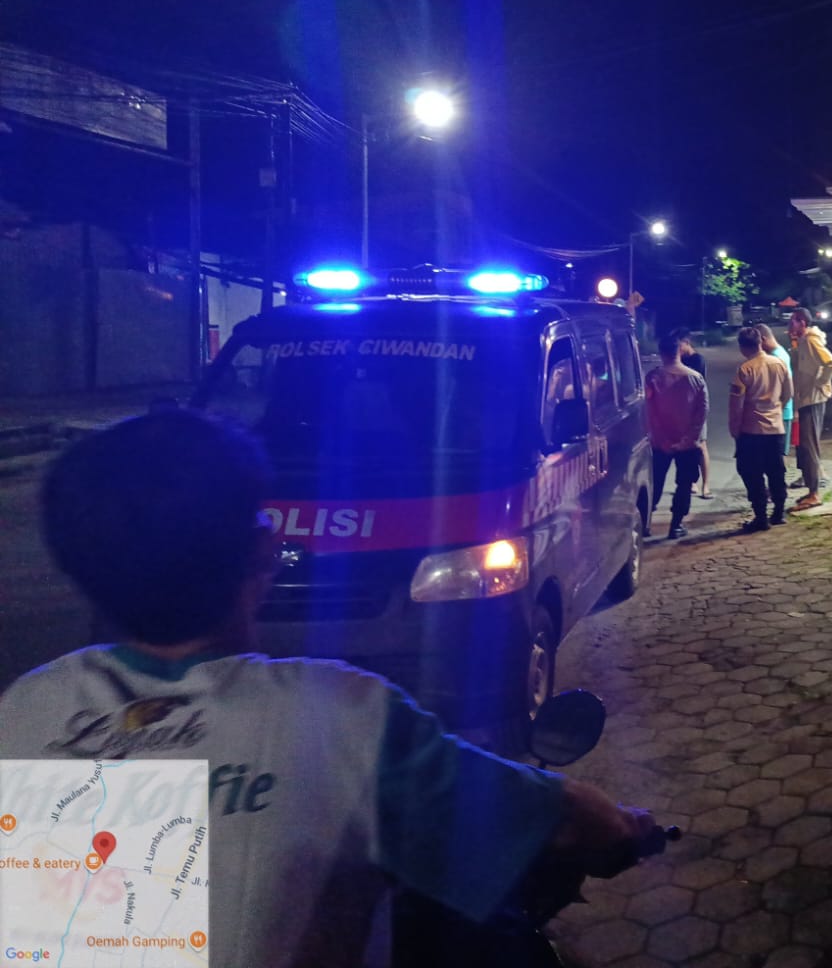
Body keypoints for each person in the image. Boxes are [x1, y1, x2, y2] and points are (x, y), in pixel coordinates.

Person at [0, 409, 654, 968]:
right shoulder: (336, 718)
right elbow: (562, 820)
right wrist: (621, 827)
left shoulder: (25, 710)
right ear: (264, 550)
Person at [728, 325, 792, 533]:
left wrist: (735, 429)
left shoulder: (745, 370)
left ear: (742, 347)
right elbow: (788, 393)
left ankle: (761, 517)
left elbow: (736, 405)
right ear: (760, 343)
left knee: (752, 474)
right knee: (776, 472)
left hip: (752, 431)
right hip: (776, 429)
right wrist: (775, 410)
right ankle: (779, 513)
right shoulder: (779, 364)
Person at [645, 333, 708, 539]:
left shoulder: (653, 378)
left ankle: (645, 524)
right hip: (688, 444)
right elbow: (701, 414)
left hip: (659, 443)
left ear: (661, 353)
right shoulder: (695, 378)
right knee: (684, 484)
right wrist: (688, 440)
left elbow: (648, 411)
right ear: (679, 351)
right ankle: (676, 525)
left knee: (655, 482)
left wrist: (660, 438)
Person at [787, 307, 832, 511]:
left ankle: (815, 493)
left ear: (802, 322)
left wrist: (820, 382)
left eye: (793, 320)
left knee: (809, 446)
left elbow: (831, 363)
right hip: (806, 399)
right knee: (805, 445)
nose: (790, 324)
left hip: (813, 399)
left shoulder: (810, 340)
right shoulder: (802, 341)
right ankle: (811, 490)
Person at [673, 328, 714, 499]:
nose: (678, 349)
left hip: (696, 410)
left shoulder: (698, 360)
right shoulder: (680, 360)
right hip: (680, 410)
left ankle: (706, 485)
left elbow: (695, 386)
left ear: (686, 343)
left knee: (701, 446)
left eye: (679, 345)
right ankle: (691, 482)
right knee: (683, 447)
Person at [756, 323, 794, 457]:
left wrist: (777, 409)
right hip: (780, 413)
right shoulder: (780, 352)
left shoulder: (776, 358)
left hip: (780, 415)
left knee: (776, 456)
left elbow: (787, 389)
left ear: (763, 340)